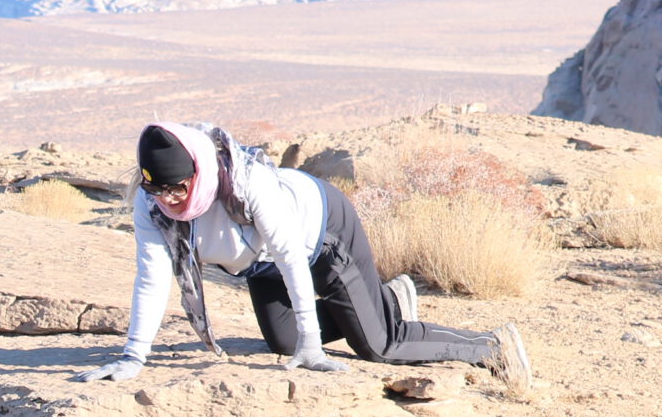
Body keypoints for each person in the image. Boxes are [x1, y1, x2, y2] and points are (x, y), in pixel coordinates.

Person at [81, 120, 529, 385]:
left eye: (177, 189)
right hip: (260, 265)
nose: (169, 200)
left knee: (379, 345)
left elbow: (291, 256)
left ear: (197, 173)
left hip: (322, 234)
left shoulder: (248, 184)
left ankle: (490, 346)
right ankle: (385, 300)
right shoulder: (152, 206)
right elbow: (152, 278)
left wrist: (314, 346)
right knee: (284, 343)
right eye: (157, 189)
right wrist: (133, 357)